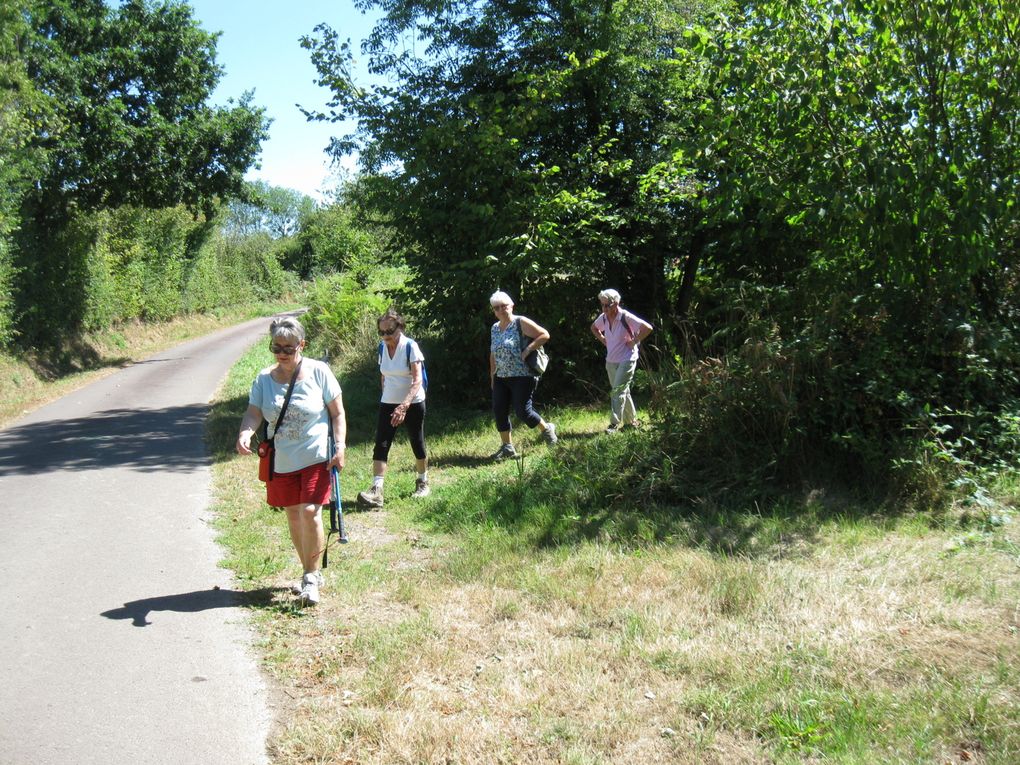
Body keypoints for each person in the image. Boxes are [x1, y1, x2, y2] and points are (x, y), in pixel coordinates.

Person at [236, 316, 346, 606]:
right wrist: (246, 432)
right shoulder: (263, 379)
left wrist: (340, 446)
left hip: (316, 456)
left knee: (310, 512)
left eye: (289, 347)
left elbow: (337, 412)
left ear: (302, 345)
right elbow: (254, 413)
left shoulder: (319, 372)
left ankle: (311, 578)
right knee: (293, 516)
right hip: (282, 461)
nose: (282, 353)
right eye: (277, 347)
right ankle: (307, 569)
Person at [357, 309, 430, 509]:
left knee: (417, 441)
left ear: (400, 327)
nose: (385, 335)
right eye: (381, 332)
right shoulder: (382, 347)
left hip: (413, 402)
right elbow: (384, 375)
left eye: (389, 330)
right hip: (388, 402)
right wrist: (387, 398)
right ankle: (376, 490)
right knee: (381, 443)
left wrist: (404, 405)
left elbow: (416, 381)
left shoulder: (410, 346)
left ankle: (422, 481)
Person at [488, 290, 557, 460]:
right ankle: (507, 447)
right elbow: (492, 353)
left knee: (523, 412)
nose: (500, 310)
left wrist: (528, 349)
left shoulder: (520, 322)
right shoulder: (495, 328)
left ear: (511, 306)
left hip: (522, 375)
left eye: (503, 306)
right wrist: (492, 376)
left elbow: (544, 335)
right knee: (499, 410)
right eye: (496, 308)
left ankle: (547, 429)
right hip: (501, 377)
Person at [590, 288, 654, 433]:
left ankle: (613, 424)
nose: (604, 308)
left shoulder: (625, 316)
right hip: (611, 360)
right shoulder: (604, 317)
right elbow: (594, 328)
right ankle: (632, 422)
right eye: (602, 305)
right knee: (622, 391)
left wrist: (635, 341)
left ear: (616, 303)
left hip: (627, 358)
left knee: (617, 392)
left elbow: (647, 328)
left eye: (607, 305)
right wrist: (603, 339)